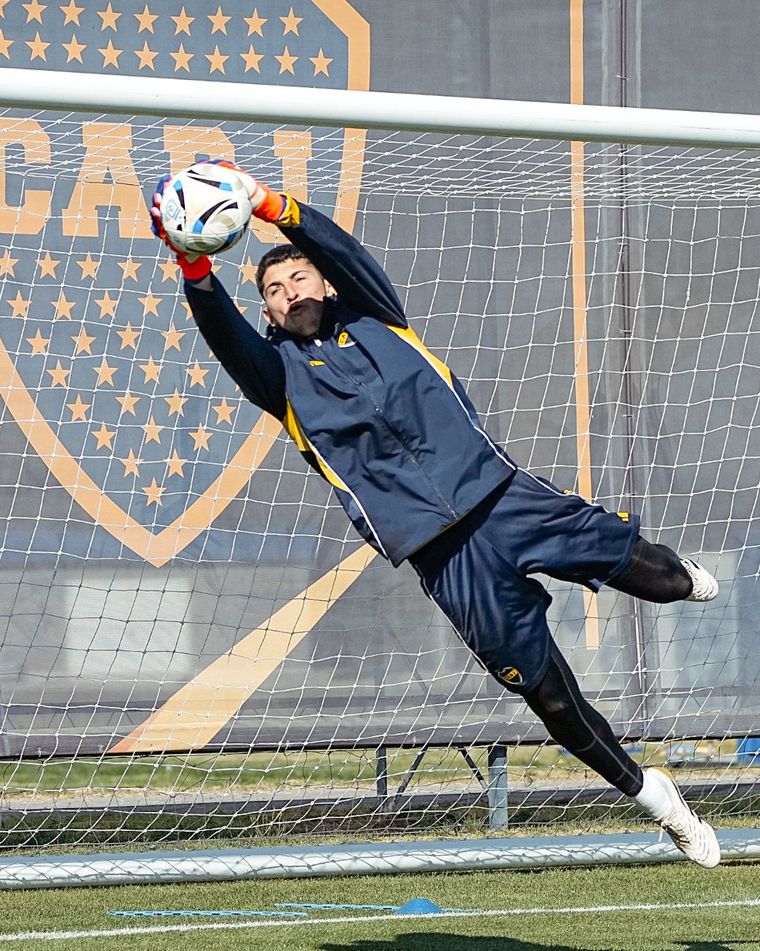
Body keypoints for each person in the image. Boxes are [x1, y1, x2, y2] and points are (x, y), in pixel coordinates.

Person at [150, 162, 721, 868]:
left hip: (505, 497)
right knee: (547, 695)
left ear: (325, 284)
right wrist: (194, 266)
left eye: (299, 277)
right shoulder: (280, 379)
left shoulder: (377, 316)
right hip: (444, 556)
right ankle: (656, 798)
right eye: (273, 289)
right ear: (266, 313)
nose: (290, 291)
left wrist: (272, 204)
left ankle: (682, 572)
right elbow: (221, 332)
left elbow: (344, 251)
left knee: (663, 581)